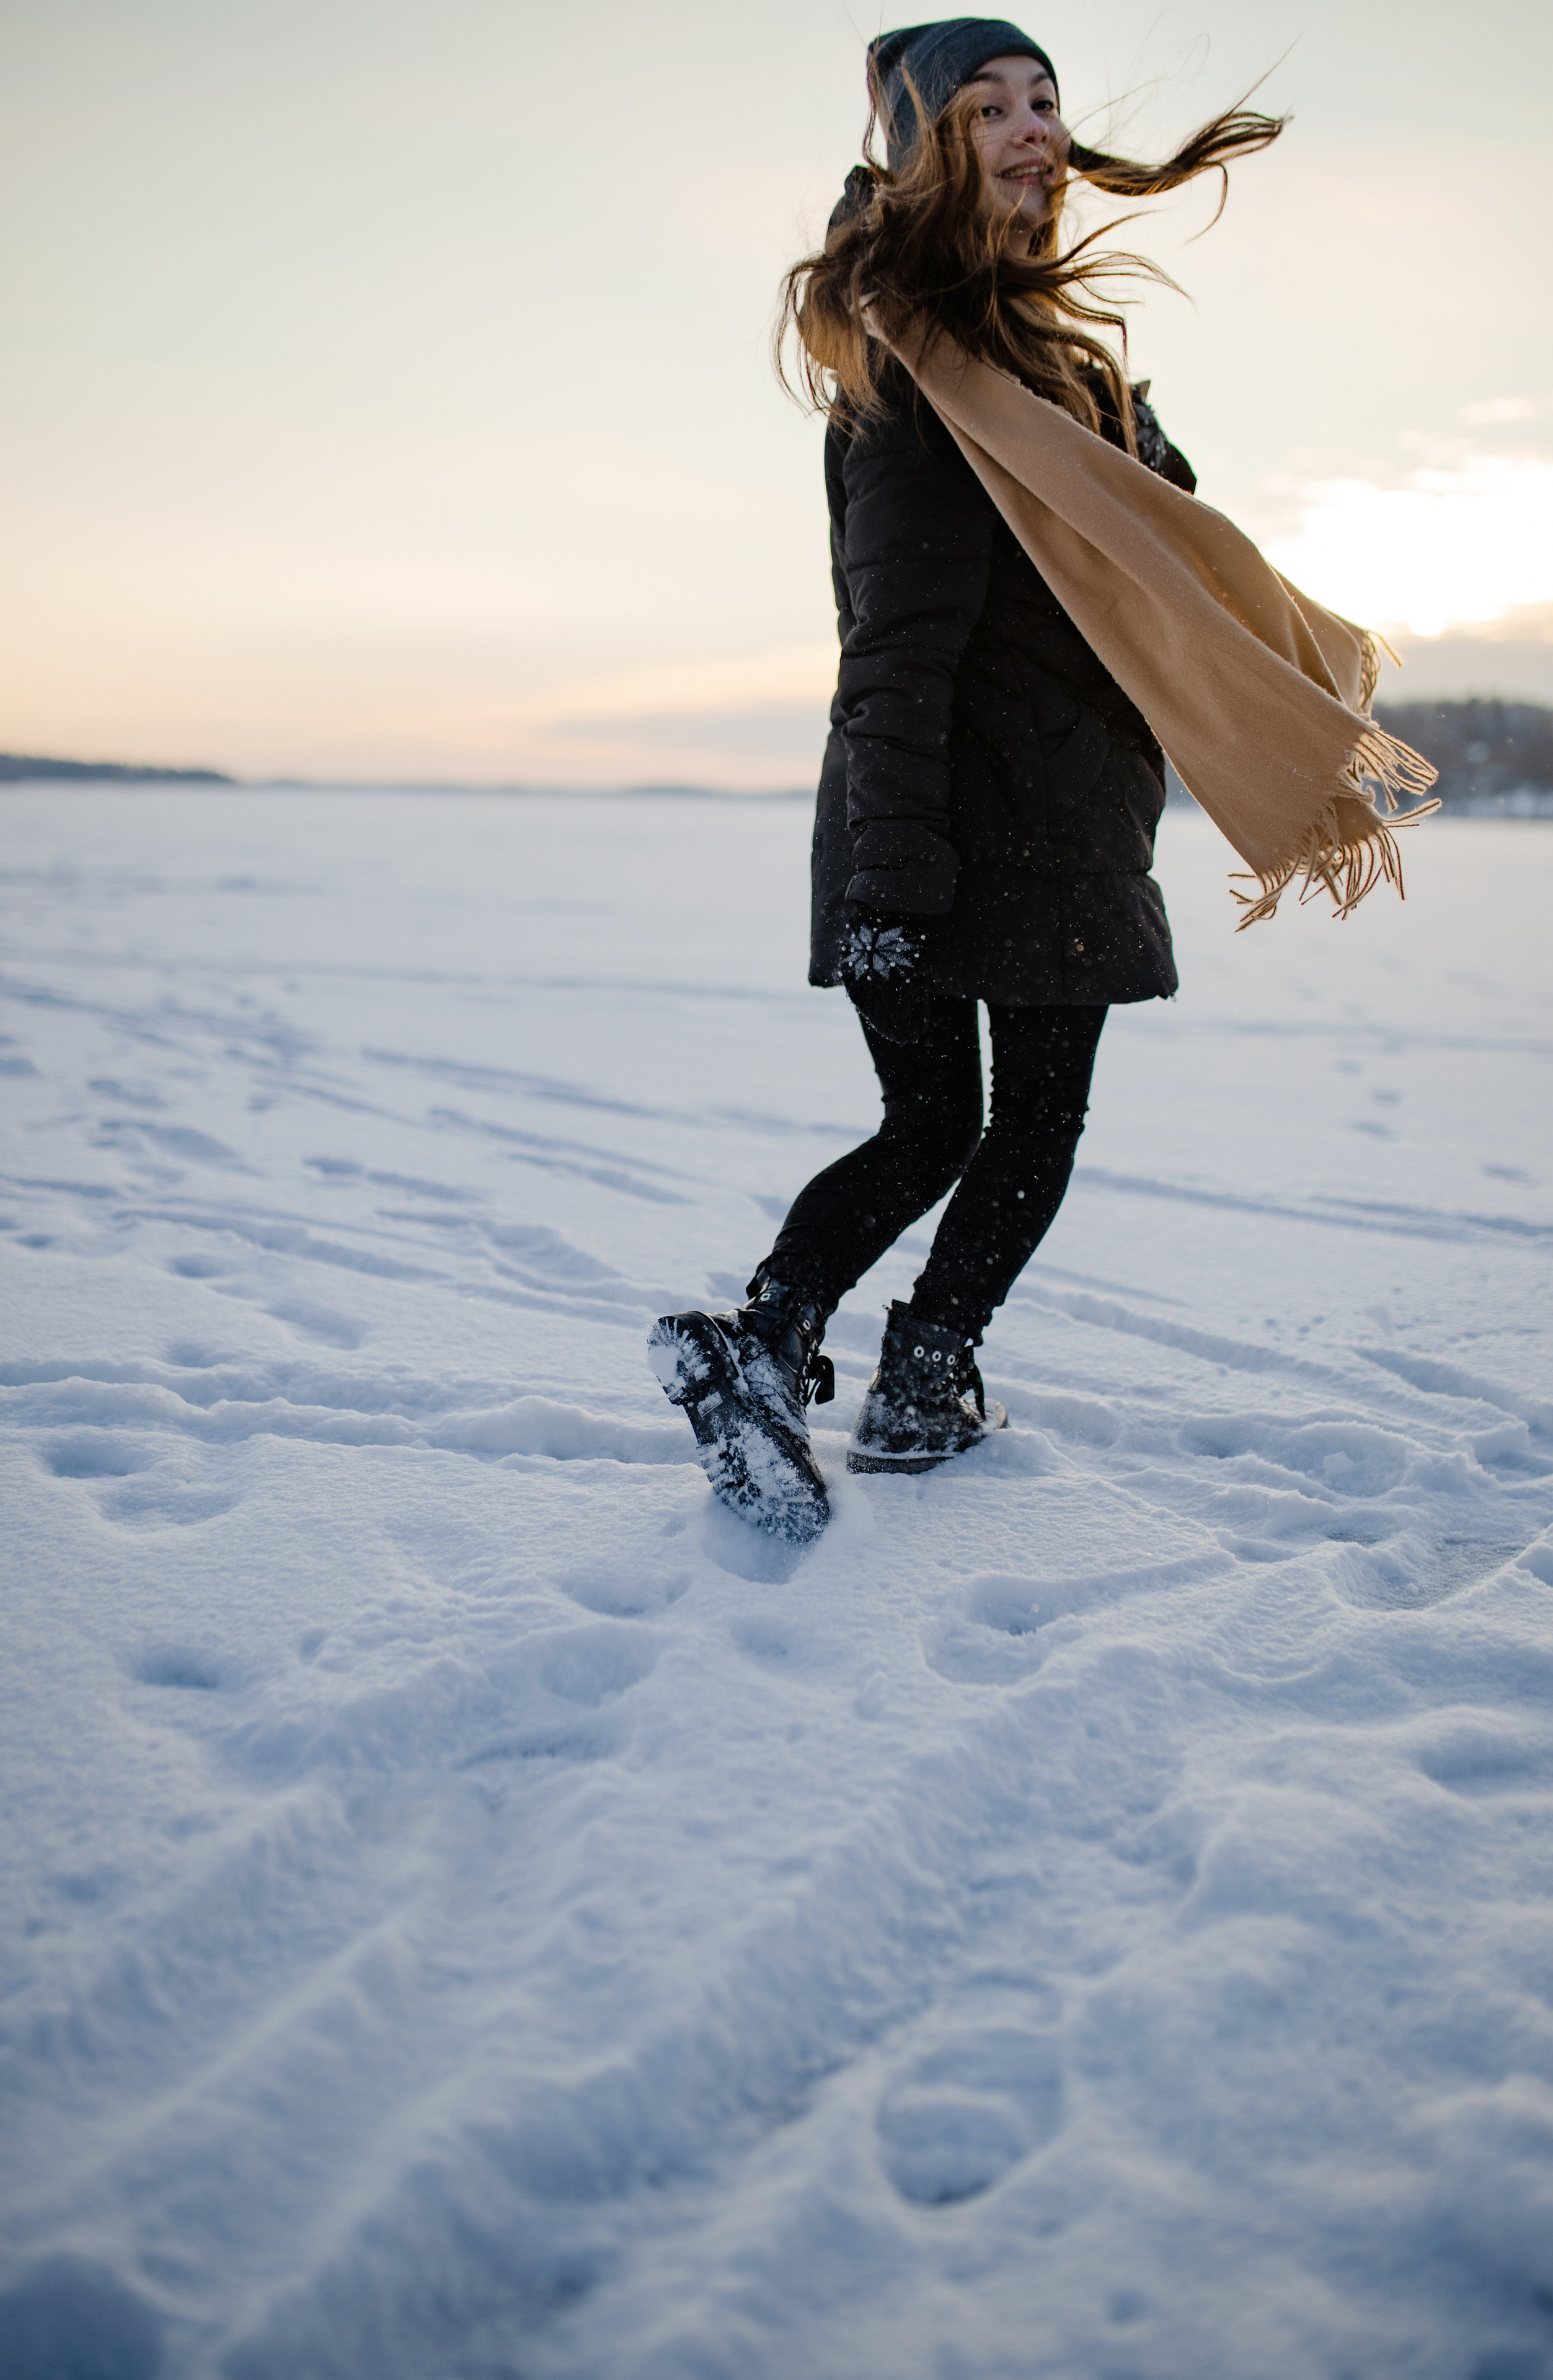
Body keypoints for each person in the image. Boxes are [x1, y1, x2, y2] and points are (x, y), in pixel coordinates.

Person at [649, 17, 1285, 1543]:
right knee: (977, 1124)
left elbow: (1147, 555)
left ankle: (892, 1369)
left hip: (1051, 803)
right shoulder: (920, 367)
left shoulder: (1043, 366)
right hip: (942, 814)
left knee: (976, 1126)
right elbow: (895, 642)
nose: (1027, 125)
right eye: (984, 105)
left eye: (1043, 100)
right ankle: (799, 1351)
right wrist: (886, 870)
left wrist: (1128, 441)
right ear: (923, 146)